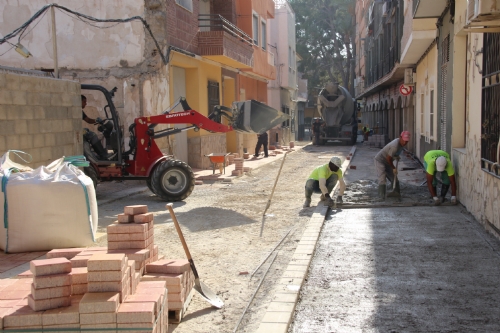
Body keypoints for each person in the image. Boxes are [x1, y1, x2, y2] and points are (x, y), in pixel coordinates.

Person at [374, 131, 410, 200]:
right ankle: (381, 196)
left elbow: (392, 155)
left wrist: (396, 156)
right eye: (404, 140)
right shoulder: (395, 145)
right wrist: (393, 168)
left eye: (406, 141)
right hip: (380, 160)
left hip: (387, 161)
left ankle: (396, 193)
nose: (405, 142)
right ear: (400, 137)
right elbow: (388, 158)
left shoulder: (401, 144)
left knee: (394, 177)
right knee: (382, 178)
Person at [81, 95, 109, 160]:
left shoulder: (80, 111)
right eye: (84, 102)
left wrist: (96, 120)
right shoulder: (75, 110)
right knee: (92, 135)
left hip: (80, 130)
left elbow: (87, 120)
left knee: (88, 131)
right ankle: (103, 155)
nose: (86, 104)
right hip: (77, 132)